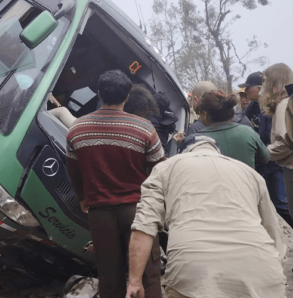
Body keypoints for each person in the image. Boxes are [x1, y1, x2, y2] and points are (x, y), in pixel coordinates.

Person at [125, 134, 286, 298]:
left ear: (182, 152)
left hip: (193, 272)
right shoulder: (250, 173)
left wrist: (135, 282)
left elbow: (144, 226)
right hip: (260, 269)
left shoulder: (165, 168)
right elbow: (273, 231)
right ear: (219, 152)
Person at [67, 70, 164, 298]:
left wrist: (82, 198)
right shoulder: (145, 129)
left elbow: (74, 170)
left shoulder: (77, 130)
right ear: (127, 96)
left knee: (109, 277)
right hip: (139, 212)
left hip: (99, 213)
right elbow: (159, 171)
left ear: (99, 94)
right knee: (147, 275)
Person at [242, 71, 293, 227]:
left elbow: (283, 140)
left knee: (281, 203)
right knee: (271, 201)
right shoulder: (254, 106)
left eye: (248, 88)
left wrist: (265, 152)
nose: (245, 92)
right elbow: (243, 120)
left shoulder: (277, 107)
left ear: (258, 89)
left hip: (277, 161)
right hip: (265, 160)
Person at [193, 90, 269, 169]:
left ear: (204, 115)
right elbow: (265, 158)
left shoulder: (197, 140)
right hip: (246, 180)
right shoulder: (248, 132)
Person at [177, 80, 252, 148]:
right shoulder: (243, 121)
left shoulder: (196, 129)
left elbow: (190, 156)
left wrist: (183, 143)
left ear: (195, 99)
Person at [260, 63, 293, 217]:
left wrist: (263, 152)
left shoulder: (283, 105)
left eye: (266, 81)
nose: (263, 86)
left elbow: (286, 142)